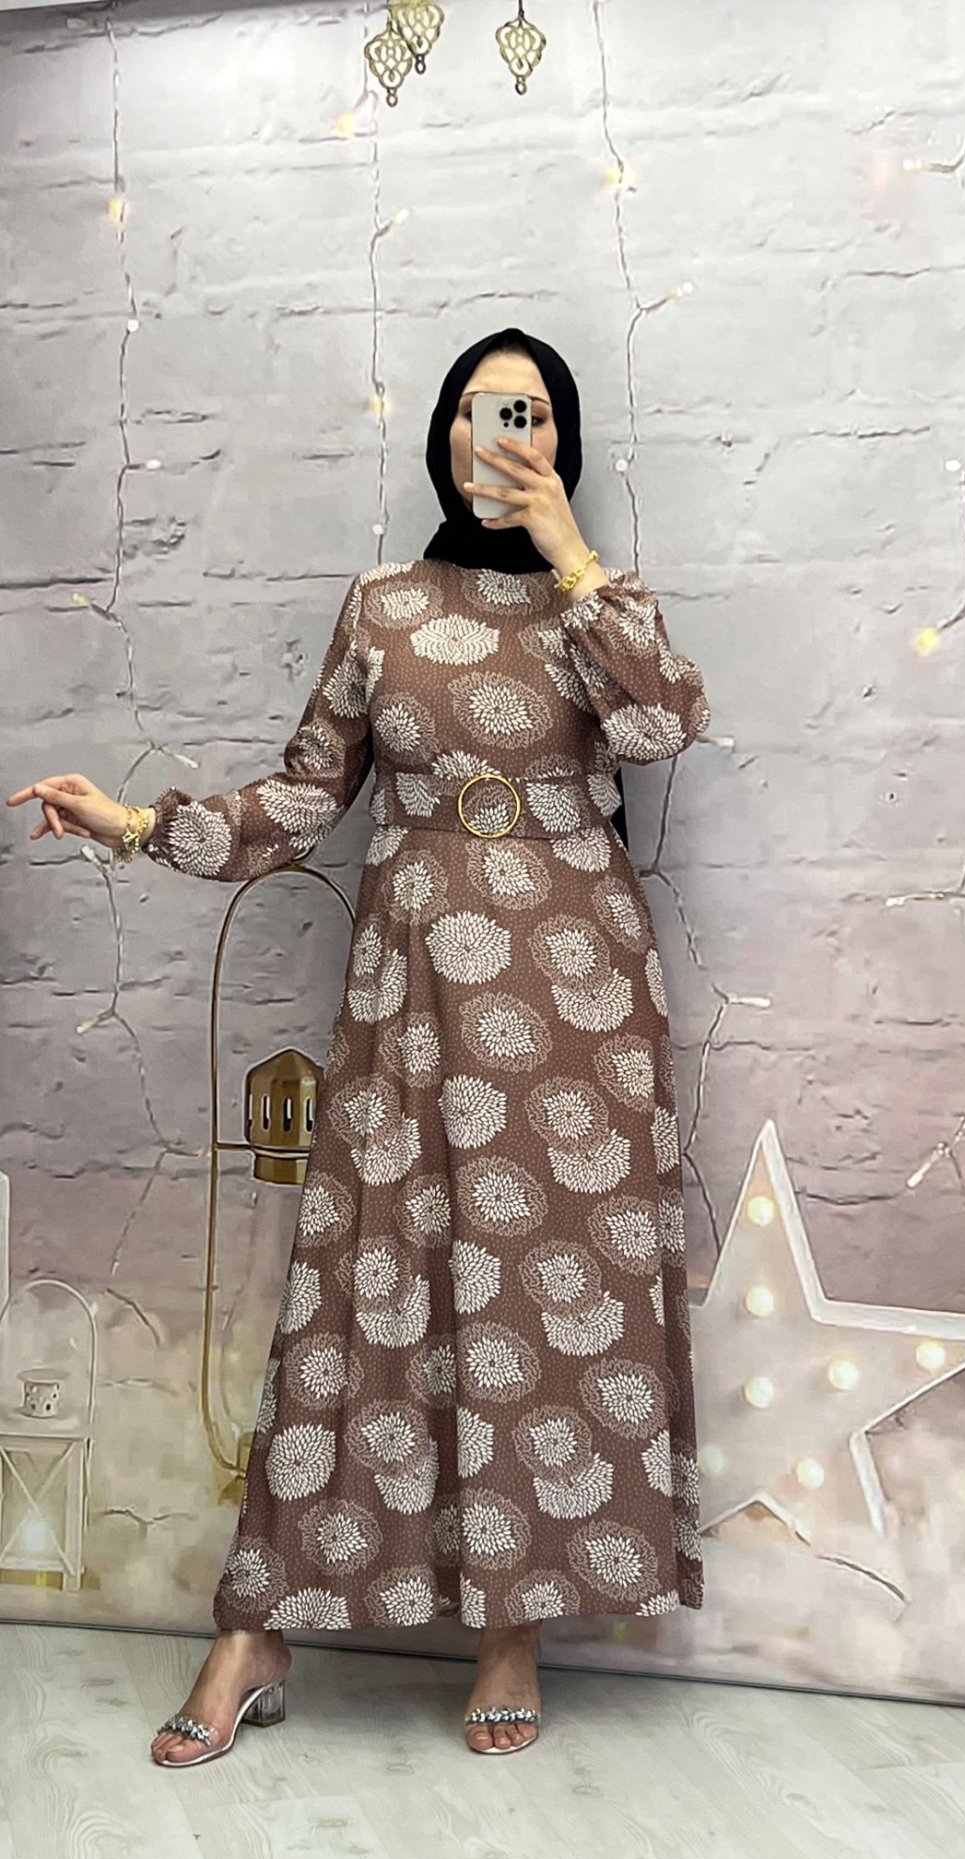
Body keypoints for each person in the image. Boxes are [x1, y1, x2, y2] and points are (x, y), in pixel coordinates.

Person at [7, 327, 710, 1761]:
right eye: (479, 411)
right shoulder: (384, 607)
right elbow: (306, 793)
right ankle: (255, 1628)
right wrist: (135, 825)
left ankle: (511, 1628)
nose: (501, 434)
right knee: (360, 1287)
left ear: (562, 440)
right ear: (442, 437)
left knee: (545, 1295)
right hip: (414, 990)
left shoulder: (602, 606)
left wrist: (572, 556)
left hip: (578, 1003)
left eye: (528, 413)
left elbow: (662, 728)